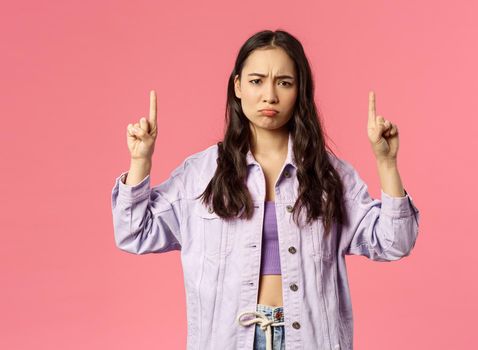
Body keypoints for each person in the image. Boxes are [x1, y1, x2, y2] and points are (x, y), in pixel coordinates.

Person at [111, 29, 420, 350]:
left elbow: (394, 242)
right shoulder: (201, 173)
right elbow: (134, 232)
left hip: (310, 340)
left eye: (284, 82)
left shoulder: (329, 174)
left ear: (300, 90)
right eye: (257, 81)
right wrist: (140, 160)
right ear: (238, 87)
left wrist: (386, 163)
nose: (269, 95)